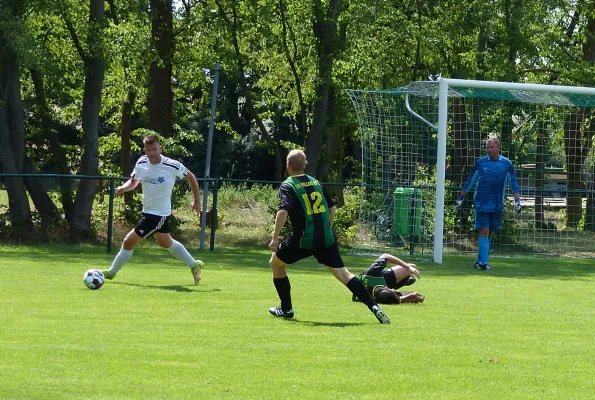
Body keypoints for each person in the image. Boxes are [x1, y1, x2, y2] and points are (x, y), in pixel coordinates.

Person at [268, 149, 391, 324]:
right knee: (344, 274)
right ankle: (374, 307)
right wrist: (328, 228)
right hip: (326, 238)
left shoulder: (288, 185)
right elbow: (332, 208)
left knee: (276, 264)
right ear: (305, 165)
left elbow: (283, 211)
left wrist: (275, 237)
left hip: (303, 239)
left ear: (288, 165)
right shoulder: (317, 183)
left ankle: (286, 309)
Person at [102, 134, 204, 284]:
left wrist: (196, 201)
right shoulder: (142, 162)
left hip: (157, 214)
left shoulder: (172, 165)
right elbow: (133, 181)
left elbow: (191, 177)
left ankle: (111, 272)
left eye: (155, 149)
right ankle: (194, 264)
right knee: (165, 242)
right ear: (145, 150)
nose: (152, 153)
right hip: (148, 211)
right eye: (149, 150)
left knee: (128, 241)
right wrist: (123, 188)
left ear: (160, 148)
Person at [455, 137, 521, 271]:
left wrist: (517, 201)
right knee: (484, 231)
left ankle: (479, 260)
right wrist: (460, 198)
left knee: (489, 233)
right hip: (481, 202)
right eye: (487, 147)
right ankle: (484, 264)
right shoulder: (481, 163)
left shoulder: (507, 164)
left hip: (497, 204)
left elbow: (514, 183)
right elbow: (470, 180)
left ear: (498, 148)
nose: (489, 149)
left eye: (491, 147)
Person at [353, 253, 424, 305]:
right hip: (381, 288)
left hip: (382, 278)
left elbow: (386, 256)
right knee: (416, 295)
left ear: (387, 288)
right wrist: (412, 296)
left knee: (413, 267)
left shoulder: (372, 272)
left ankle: (404, 280)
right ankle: (402, 281)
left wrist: (408, 267)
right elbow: (396, 299)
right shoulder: (380, 298)